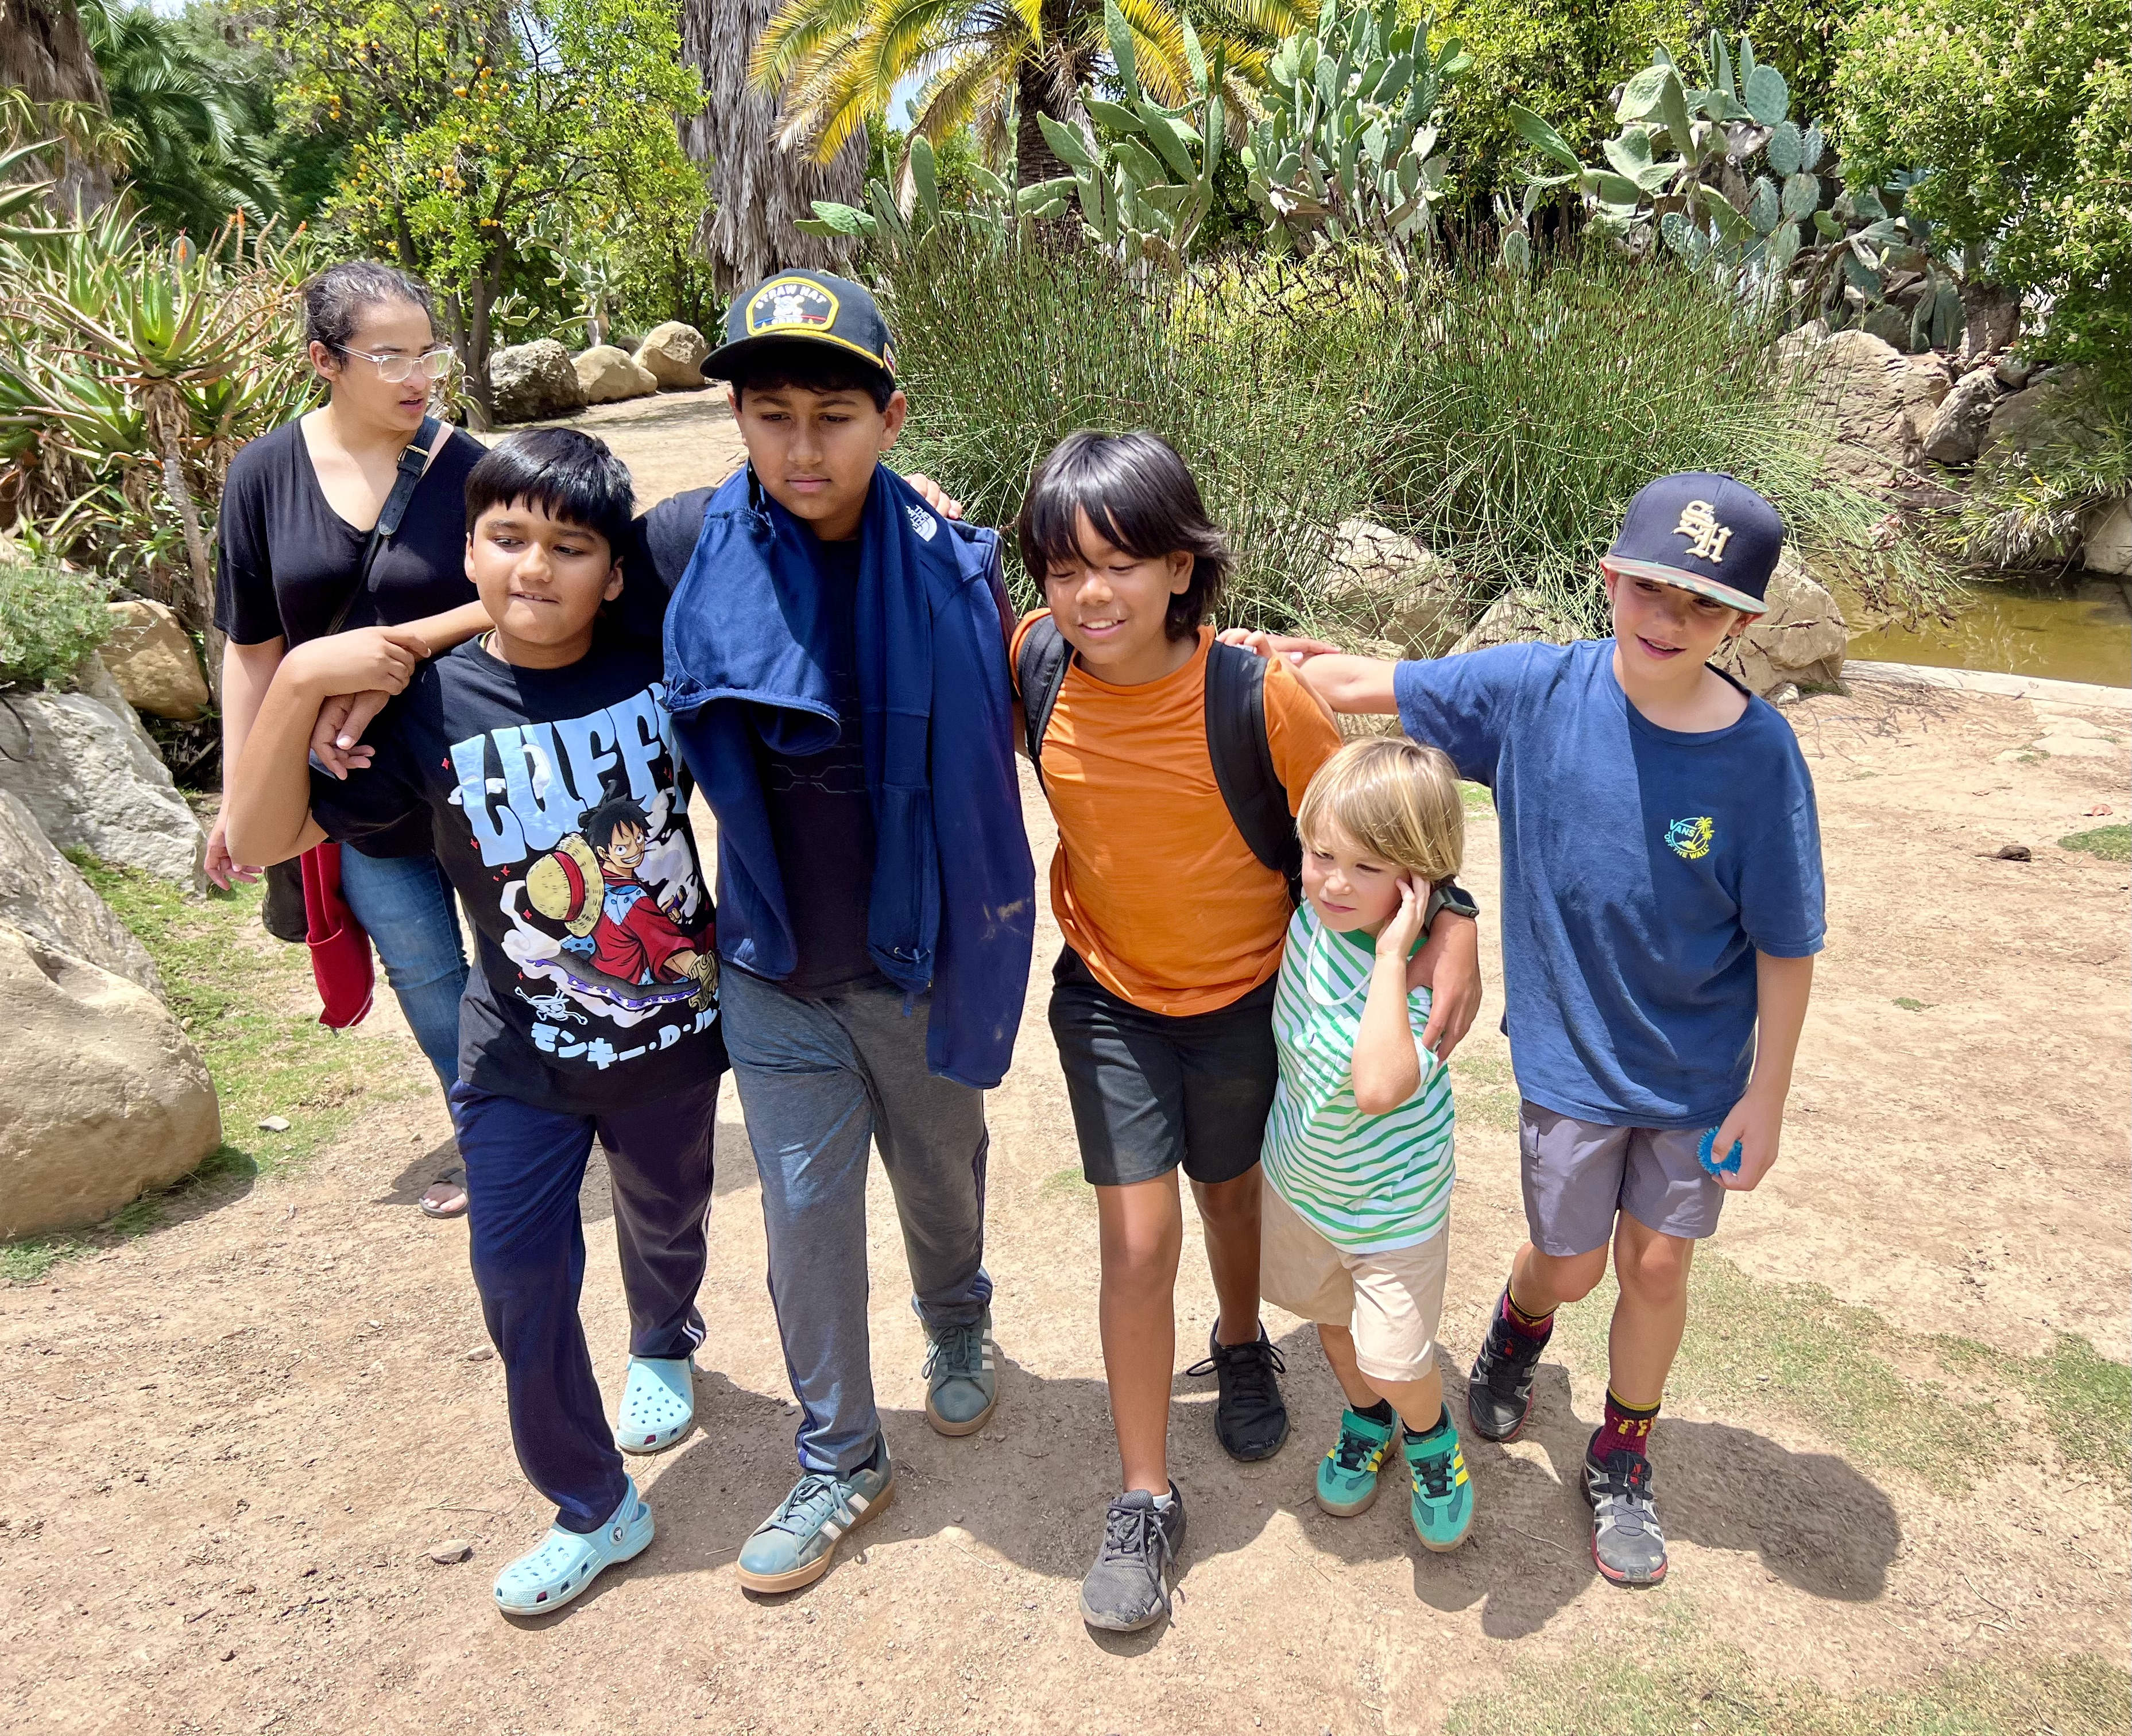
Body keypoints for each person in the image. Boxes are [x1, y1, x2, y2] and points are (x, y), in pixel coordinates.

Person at [1241, 472, 1824, 1587]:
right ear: (1610, 577)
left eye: (1702, 606)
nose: (1667, 619)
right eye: (1649, 586)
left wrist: (1769, 1093)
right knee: (1570, 1260)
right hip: (1569, 1062)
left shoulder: (1760, 761)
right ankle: (1521, 1319)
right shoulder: (1535, 693)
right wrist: (1238, 660)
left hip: (1700, 1074)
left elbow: (1789, 943)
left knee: (1656, 1268)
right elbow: (1373, 683)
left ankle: (1620, 1455)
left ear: (1741, 623)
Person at [223, 431, 725, 1617]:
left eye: (569, 548)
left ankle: (666, 1335)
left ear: (614, 572)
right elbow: (257, 840)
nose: (535, 569)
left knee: (668, 1217)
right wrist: (300, 681)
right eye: (505, 540)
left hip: (669, 1031)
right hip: (513, 1053)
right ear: (466, 550)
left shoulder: (659, 650)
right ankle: (595, 1505)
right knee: (513, 1276)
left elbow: (751, 503)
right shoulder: (419, 712)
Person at [1008, 432, 1483, 1633]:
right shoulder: (1033, 664)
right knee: (1135, 1235)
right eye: (1064, 568)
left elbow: (1377, 823)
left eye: (1120, 563)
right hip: (1107, 998)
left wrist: (1459, 916)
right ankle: (1143, 1495)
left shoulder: (1255, 695)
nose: (1090, 594)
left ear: (1182, 566)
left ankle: (1239, 1342)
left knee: (1231, 1198)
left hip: (1240, 1005)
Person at [642, 270, 1035, 1595]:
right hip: (770, 971)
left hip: (917, 960)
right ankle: (840, 1456)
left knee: (940, 1181)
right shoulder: (686, 546)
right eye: (770, 415)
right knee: (807, 1219)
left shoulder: (953, 570)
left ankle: (960, 1324)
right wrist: (357, 664)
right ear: (739, 422)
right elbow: (547, 604)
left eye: (832, 415)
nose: (802, 448)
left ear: (892, 419)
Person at [215, 260, 492, 1219]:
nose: (418, 378)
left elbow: (521, 593)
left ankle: (537, 1120)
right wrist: (240, 785)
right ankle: (487, 1140)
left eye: (428, 355)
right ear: (323, 360)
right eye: (389, 357)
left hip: (477, 771)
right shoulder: (262, 476)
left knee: (510, 959)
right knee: (426, 975)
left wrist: (404, 652)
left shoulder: (470, 467)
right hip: (359, 797)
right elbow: (251, 652)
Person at [1260, 736, 1477, 1556]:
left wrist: (1395, 954)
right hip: (1302, 1187)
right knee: (1333, 1328)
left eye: (1368, 867)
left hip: (1392, 1211)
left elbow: (1380, 1086)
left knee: (1395, 1355)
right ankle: (1368, 1419)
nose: (1335, 882)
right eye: (1321, 855)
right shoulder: (1309, 909)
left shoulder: (1426, 973)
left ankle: (1429, 1438)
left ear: (1420, 879)